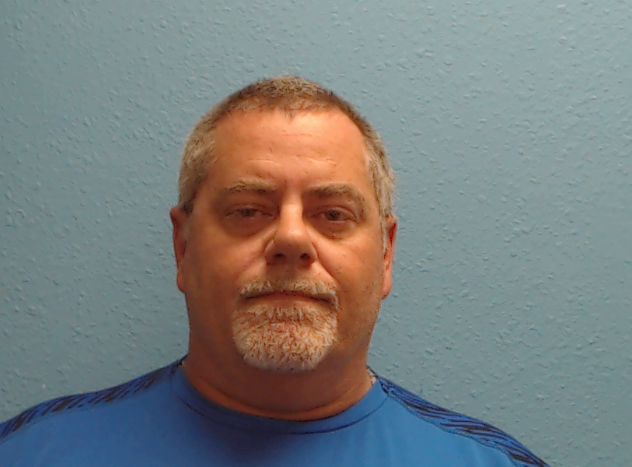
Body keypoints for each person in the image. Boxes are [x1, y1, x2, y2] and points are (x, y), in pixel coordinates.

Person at [0, 76, 547, 466]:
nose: (291, 239)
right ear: (183, 247)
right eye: (248, 211)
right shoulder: (30, 454)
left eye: (333, 215)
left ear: (386, 255)